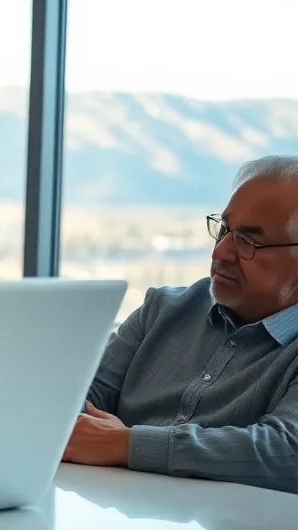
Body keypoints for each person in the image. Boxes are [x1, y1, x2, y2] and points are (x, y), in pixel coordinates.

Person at [64, 155, 298, 493]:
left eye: (248, 241)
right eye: (224, 229)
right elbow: (76, 402)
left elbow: (285, 451)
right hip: (114, 521)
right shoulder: (163, 308)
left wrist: (123, 444)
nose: (220, 252)